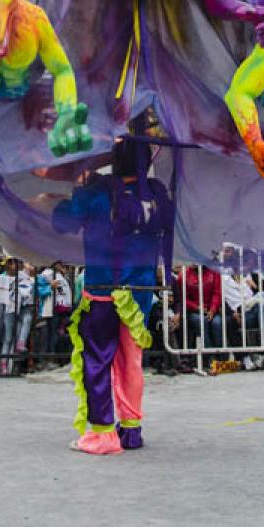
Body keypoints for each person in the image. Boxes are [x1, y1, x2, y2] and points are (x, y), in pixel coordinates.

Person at [54, 137, 173, 455]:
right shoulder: (158, 193)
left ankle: (103, 434)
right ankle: (131, 431)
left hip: (103, 289)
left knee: (97, 358)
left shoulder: (98, 193)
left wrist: (77, 190)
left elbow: (62, 221)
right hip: (140, 291)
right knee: (131, 360)